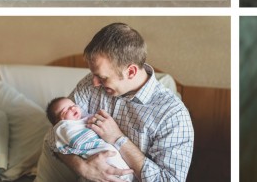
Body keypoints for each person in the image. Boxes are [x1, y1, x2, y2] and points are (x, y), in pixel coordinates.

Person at [39, 23, 194, 182]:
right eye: (93, 74)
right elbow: (54, 136)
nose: (95, 82)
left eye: (103, 77)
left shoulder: (172, 114)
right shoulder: (90, 86)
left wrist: (118, 138)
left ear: (131, 71)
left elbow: (168, 180)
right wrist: (83, 168)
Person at [45, 97, 134, 182]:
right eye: (65, 111)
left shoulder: (84, 119)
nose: (72, 108)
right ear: (59, 122)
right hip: (100, 156)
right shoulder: (65, 128)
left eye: (73, 105)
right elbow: (77, 142)